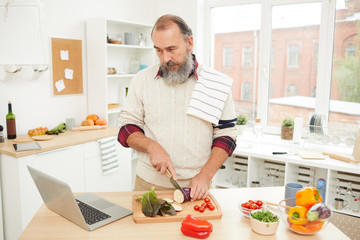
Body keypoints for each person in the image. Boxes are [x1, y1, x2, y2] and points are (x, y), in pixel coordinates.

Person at [118, 14, 237, 201]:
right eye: (159, 51)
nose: (166, 58)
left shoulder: (215, 83)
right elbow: (126, 128)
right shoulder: (141, 80)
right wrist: (151, 146)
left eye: (172, 49)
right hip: (148, 185)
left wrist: (205, 176)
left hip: (198, 186)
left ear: (189, 43)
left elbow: (226, 136)